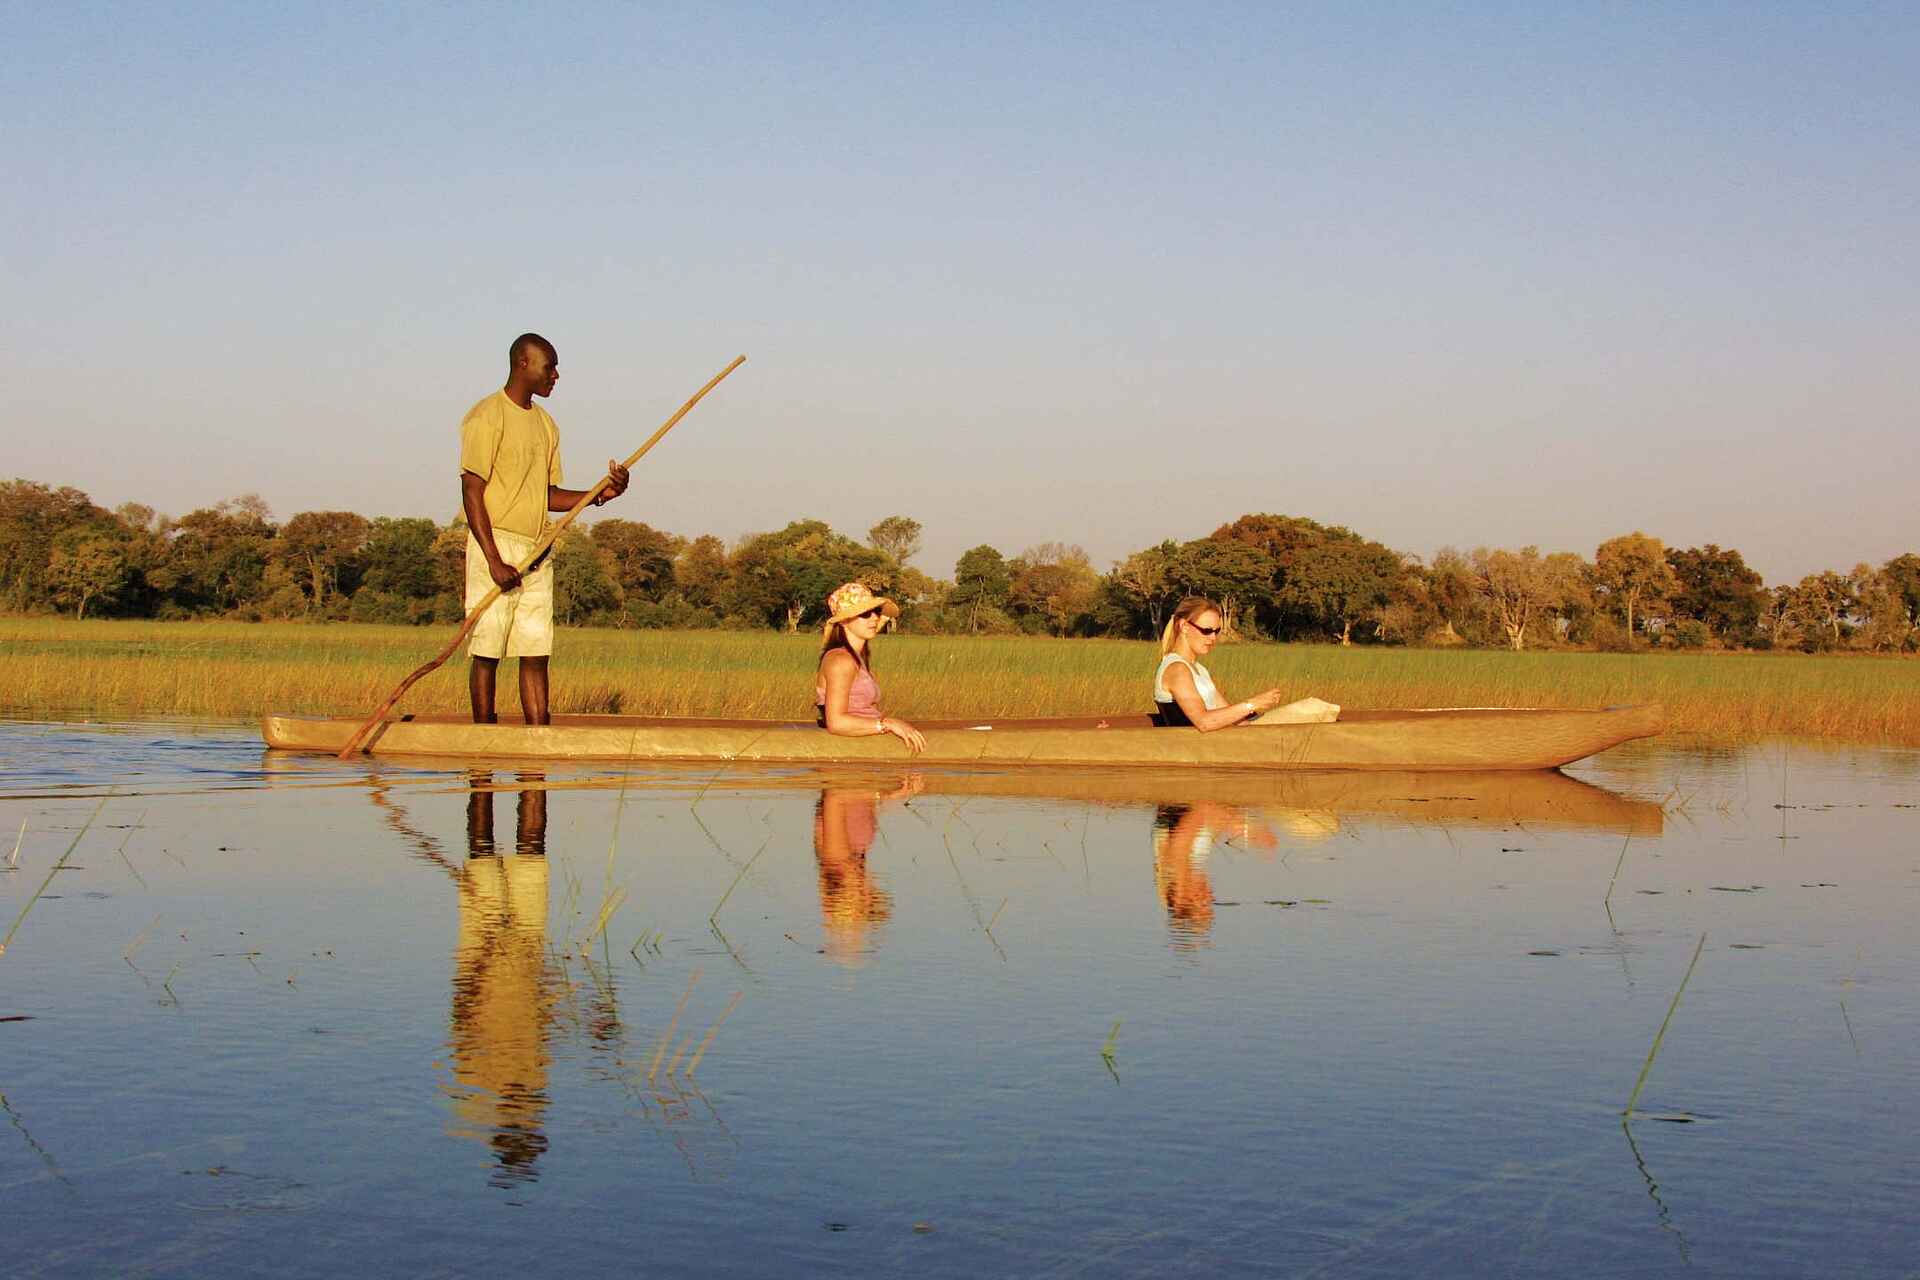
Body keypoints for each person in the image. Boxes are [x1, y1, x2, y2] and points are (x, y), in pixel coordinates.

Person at [459, 333, 630, 725]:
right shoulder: (486, 416)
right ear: (524, 363)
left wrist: (601, 494)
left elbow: (548, 494)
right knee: (487, 652)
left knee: (535, 652)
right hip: (495, 544)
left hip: (538, 548)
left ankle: (538, 739)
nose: (556, 375)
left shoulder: (546, 425)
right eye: (549, 367)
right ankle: (483, 739)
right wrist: (494, 560)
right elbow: (471, 490)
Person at [1153, 596, 1340, 730]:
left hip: (1223, 740)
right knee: (1314, 709)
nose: (1213, 638)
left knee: (1314, 708)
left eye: (1216, 632)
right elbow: (1204, 722)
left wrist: (1256, 713)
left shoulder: (1198, 669)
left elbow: (1229, 715)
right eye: (1207, 630)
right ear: (1184, 626)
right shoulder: (1177, 669)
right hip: (1202, 748)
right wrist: (1252, 704)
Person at [816, 582, 927, 754]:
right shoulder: (840, 660)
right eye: (865, 613)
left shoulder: (857, 658)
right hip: (850, 747)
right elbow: (836, 722)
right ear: (844, 621)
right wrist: (886, 724)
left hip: (865, 738)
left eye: (876, 611)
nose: (875, 618)